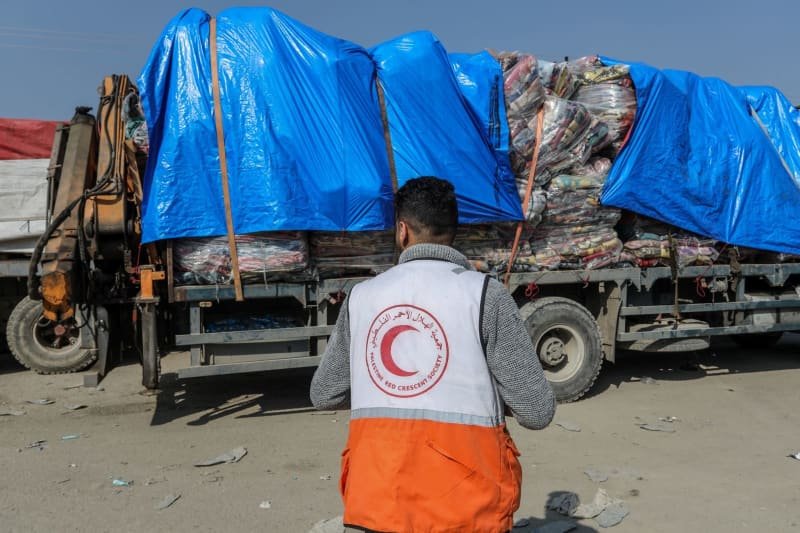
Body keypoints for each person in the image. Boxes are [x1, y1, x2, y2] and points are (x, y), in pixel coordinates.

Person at [310, 176, 555, 533]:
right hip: (466, 509)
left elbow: (324, 394)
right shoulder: (485, 295)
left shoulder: (361, 297)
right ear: (455, 231)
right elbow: (536, 410)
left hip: (376, 504)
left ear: (402, 231)